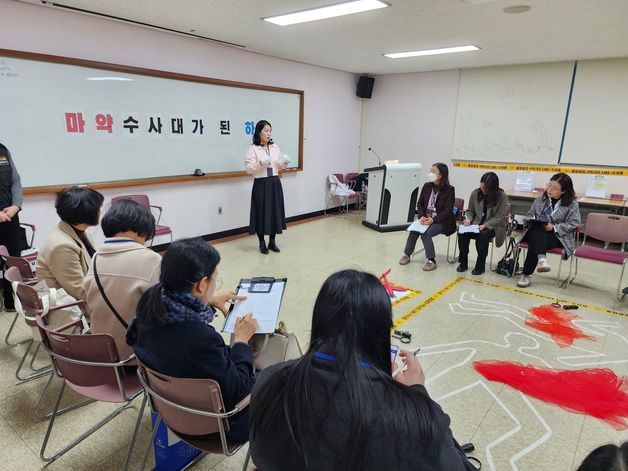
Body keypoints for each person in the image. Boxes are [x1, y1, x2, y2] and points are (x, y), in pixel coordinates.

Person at [249, 269, 475, 471]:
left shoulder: (268, 381)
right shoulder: (413, 418)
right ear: (381, 333)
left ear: (320, 321)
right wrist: (417, 395)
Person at [126, 237, 257, 442]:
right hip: (216, 427)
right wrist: (241, 341)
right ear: (202, 284)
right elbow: (239, 391)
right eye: (214, 280)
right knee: (276, 377)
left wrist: (206, 301)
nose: (215, 285)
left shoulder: (150, 303)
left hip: (167, 409)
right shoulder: (201, 340)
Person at [83, 199, 161, 359]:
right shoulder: (151, 259)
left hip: (102, 350)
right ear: (141, 229)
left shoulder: (97, 257)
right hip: (135, 355)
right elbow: (165, 310)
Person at [36, 187, 104, 301]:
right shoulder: (62, 246)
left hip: (75, 296)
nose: (100, 211)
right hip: (70, 307)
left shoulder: (77, 233)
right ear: (86, 213)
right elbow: (81, 291)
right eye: (98, 208)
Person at [516, 173, 581, 288]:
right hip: (537, 232)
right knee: (537, 228)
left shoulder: (572, 204)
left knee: (535, 240)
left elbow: (574, 223)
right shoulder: (540, 199)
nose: (550, 190)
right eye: (549, 185)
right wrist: (532, 219)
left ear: (564, 191)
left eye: (555, 188)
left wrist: (554, 227)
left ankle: (526, 275)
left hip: (557, 237)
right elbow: (529, 215)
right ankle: (542, 258)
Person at [399, 163, 456, 271]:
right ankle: (407, 254)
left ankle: (431, 260)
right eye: (430, 170)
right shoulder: (427, 186)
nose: (430, 173)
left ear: (440, 175)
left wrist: (433, 220)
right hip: (426, 218)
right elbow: (420, 203)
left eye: (433, 171)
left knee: (426, 234)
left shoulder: (449, 189)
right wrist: (421, 216)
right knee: (414, 230)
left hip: (442, 221)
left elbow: (448, 211)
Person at [245, 120, 289, 254]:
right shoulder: (252, 148)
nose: (268, 133)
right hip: (261, 183)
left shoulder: (275, 147)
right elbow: (249, 169)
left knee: (274, 211)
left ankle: (272, 242)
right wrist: (260, 163)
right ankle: (261, 243)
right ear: (259, 132)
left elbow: (278, 166)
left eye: (270, 130)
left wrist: (284, 163)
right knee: (261, 212)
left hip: (274, 182)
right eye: (266, 130)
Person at [457, 172, 509, 275]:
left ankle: (480, 266)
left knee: (483, 236)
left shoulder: (502, 196)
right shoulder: (475, 193)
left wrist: (486, 225)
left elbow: (500, 217)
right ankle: (463, 262)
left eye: (486, 188)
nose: (483, 190)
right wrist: (468, 219)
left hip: (494, 226)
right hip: (475, 224)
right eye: (482, 186)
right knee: (461, 233)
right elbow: (470, 210)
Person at [0, 142, 24, 311]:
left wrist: (16, 205)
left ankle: (12, 302)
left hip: (10, 216)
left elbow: (15, 180)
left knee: (12, 259)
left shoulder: (2, 150)